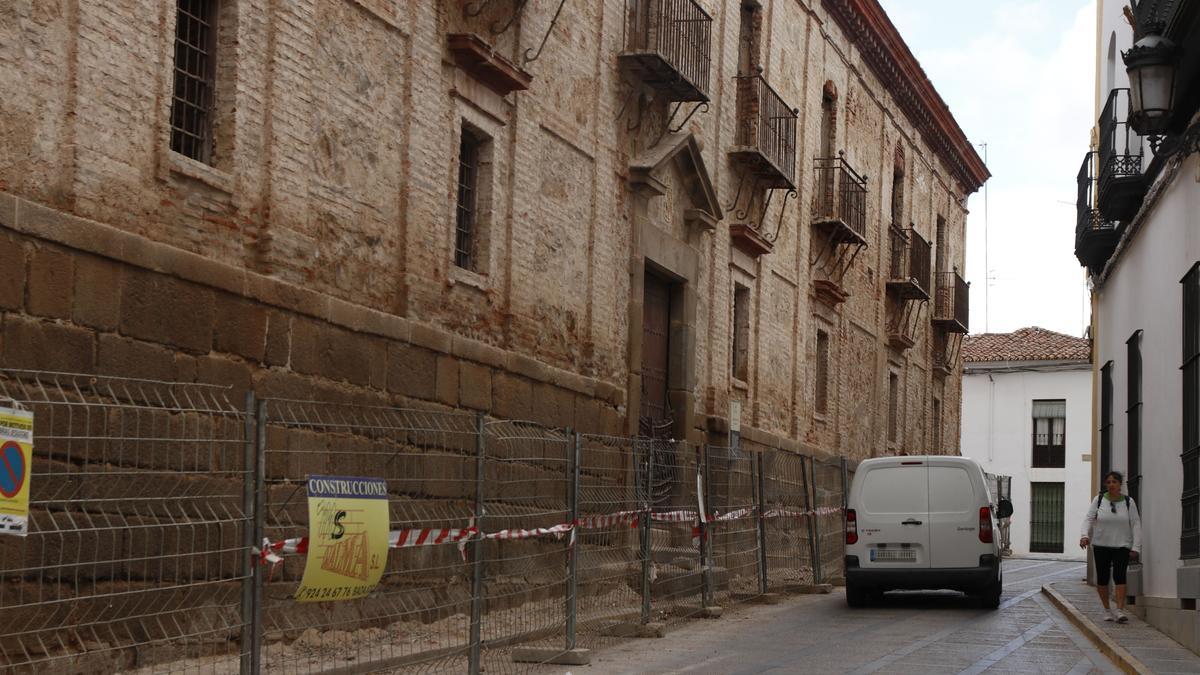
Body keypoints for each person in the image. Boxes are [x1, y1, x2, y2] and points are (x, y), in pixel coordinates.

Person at [1079, 471, 1142, 623]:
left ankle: (1119, 610)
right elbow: (1088, 519)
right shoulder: (1099, 500)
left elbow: (1136, 524)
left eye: (1114, 482)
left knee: (1120, 575)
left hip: (1122, 545)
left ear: (1120, 484)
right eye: (1109, 482)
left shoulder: (1128, 502)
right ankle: (1107, 610)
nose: (1111, 485)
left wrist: (1136, 547)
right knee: (1103, 578)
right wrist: (1084, 536)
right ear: (1105, 485)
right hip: (1101, 545)